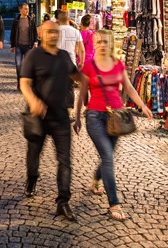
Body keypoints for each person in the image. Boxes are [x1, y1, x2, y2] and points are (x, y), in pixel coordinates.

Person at [74, 29, 153, 221]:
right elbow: (82, 93)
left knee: (108, 155)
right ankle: (114, 203)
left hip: (117, 117)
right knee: (108, 156)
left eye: (105, 42)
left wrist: (142, 105)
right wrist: (77, 118)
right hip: (94, 117)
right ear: (94, 43)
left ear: (111, 44)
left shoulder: (118, 65)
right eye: (99, 42)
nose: (102, 45)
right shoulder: (89, 66)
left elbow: (129, 87)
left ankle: (95, 181)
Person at [20, 21, 84, 222]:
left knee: (65, 161)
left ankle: (63, 202)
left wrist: (88, 82)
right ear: (40, 33)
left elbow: (76, 76)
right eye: (49, 32)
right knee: (34, 156)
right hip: (38, 118)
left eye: (55, 32)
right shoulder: (33, 56)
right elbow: (24, 83)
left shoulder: (64, 56)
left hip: (61, 119)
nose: (53, 35)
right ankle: (31, 180)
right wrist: (33, 101)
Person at [10, 3, 38, 90]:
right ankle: (20, 84)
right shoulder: (16, 21)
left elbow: (34, 32)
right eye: (25, 9)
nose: (27, 10)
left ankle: (27, 85)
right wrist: (12, 45)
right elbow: (13, 33)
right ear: (20, 10)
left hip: (28, 46)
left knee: (28, 66)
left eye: (28, 9)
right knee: (19, 66)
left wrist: (36, 42)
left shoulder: (31, 20)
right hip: (18, 46)